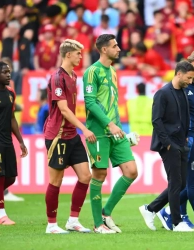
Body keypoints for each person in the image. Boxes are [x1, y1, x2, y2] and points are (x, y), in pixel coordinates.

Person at [83, 34, 138, 234]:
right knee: (99, 174)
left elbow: (111, 102)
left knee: (131, 171)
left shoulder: (113, 71)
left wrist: (118, 126)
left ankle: (106, 213)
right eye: (115, 46)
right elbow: (90, 102)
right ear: (104, 49)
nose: (119, 49)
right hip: (98, 132)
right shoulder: (91, 72)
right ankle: (98, 225)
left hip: (116, 130)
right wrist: (109, 125)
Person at [44, 39, 96, 234]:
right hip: (57, 135)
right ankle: (51, 225)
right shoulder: (57, 78)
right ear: (68, 55)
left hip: (71, 135)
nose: (81, 57)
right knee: (56, 181)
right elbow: (63, 110)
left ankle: (73, 220)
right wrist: (85, 129)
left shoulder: (74, 76)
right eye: (78, 54)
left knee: (85, 176)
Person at [139, 60, 194, 232]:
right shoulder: (162, 93)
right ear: (179, 73)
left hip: (181, 142)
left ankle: (150, 209)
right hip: (169, 144)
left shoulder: (184, 92)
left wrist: (185, 137)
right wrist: (167, 144)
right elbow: (156, 120)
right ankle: (176, 223)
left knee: (182, 182)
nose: (190, 81)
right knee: (176, 181)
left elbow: (184, 117)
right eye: (189, 77)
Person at [0, 61, 28, 225]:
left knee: (10, 178)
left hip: (8, 140)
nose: (8, 74)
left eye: (9, 72)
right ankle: (2, 216)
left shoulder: (11, 92)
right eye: (4, 72)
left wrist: (20, 141)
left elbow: (12, 118)